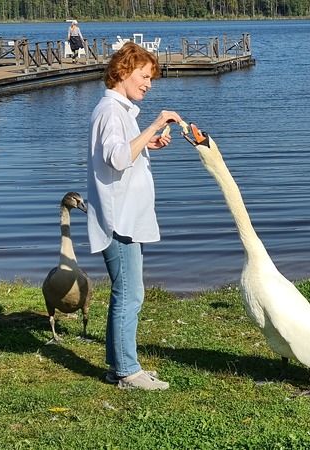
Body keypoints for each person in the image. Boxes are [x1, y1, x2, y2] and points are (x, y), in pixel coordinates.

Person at [87, 42, 181, 391]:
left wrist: (147, 144)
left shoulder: (119, 111)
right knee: (130, 294)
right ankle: (128, 371)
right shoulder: (111, 111)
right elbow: (116, 158)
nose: (148, 84)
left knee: (126, 291)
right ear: (123, 72)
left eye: (150, 78)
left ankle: (119, 367)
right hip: (119, 221)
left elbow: (123, 154)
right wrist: (155, 125)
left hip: (126, 217)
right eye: (144, 76)